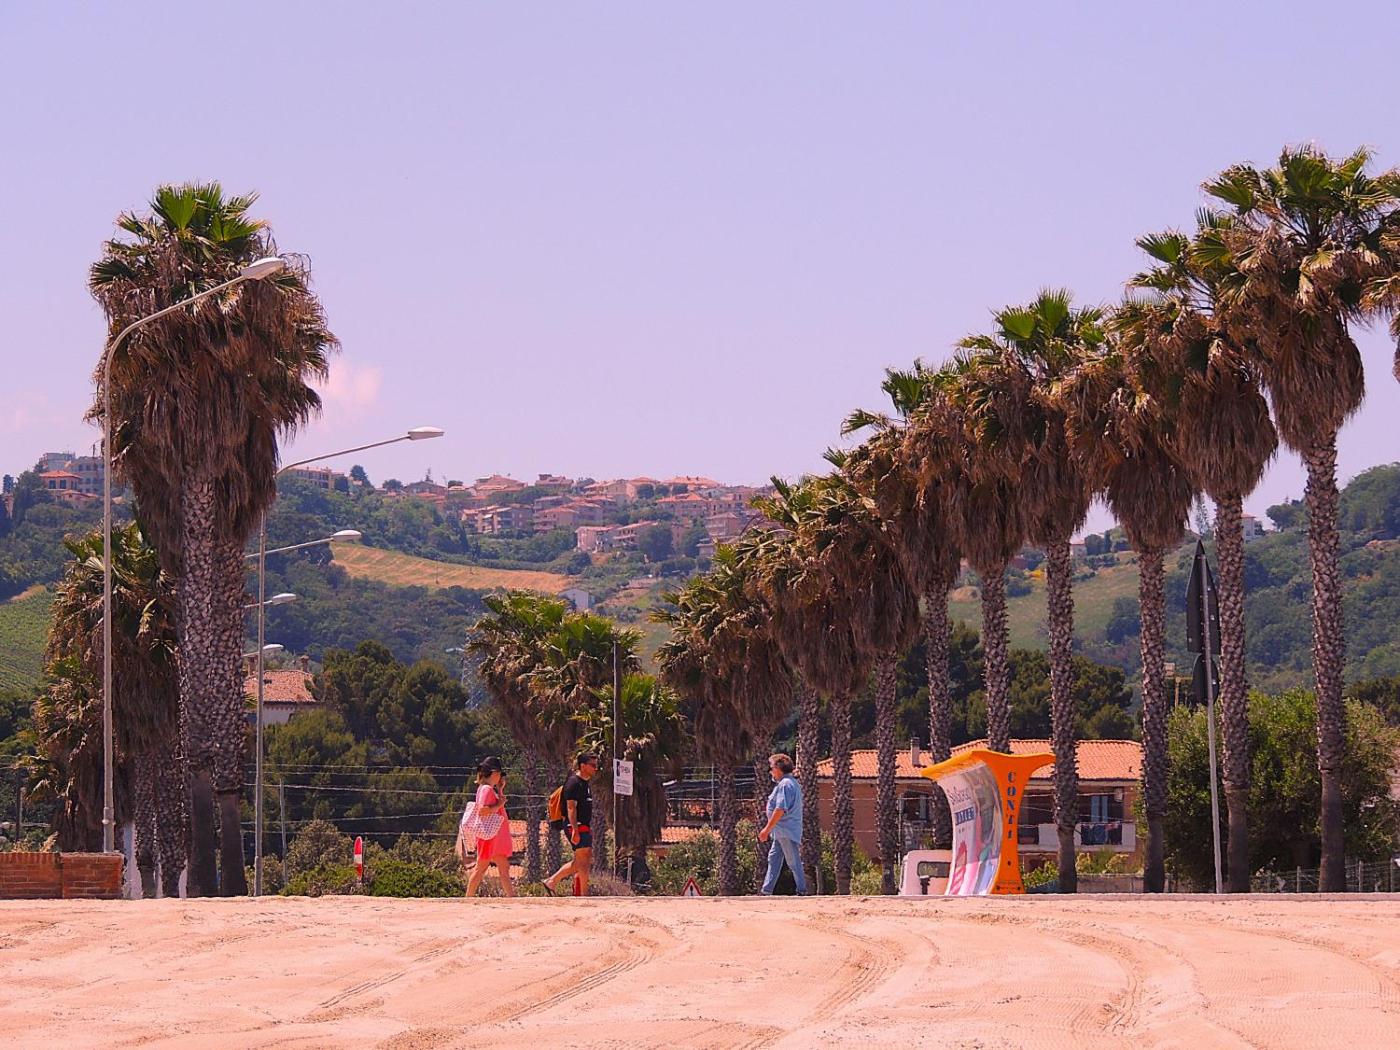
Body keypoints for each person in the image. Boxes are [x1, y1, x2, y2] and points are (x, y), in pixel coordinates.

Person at [460, 756, 515, 898]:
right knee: (481, 868)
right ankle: (468, 897)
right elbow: (483, 810)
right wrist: (499, 805)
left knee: (503, 867)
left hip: (493, 836)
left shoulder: (486, 788)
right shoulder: (486, 789)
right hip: (490, 837)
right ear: (495, 773)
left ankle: (512, 898)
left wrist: (500, 790)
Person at [544, 753, 597, 896]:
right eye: (592, 765)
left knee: (582, 860)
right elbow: (571, 808)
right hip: (575, 825)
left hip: (584, 825)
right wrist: (575, 830)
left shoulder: (585, 783)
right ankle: (584, 894)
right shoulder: (573, 783)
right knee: (583, 860)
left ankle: (552, 881)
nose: (595, 768)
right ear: (583, 766)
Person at [758, 753, 806, 895]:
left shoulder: (785, 785)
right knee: (773, 859)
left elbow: (780, 809)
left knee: (793, 861)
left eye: (772, 768)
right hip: (780, 832)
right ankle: (766, 890)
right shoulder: (789, 783)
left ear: (778, 768)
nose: (770, 771)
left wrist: (766, 830)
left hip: (786, 831)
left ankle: (802, 890)